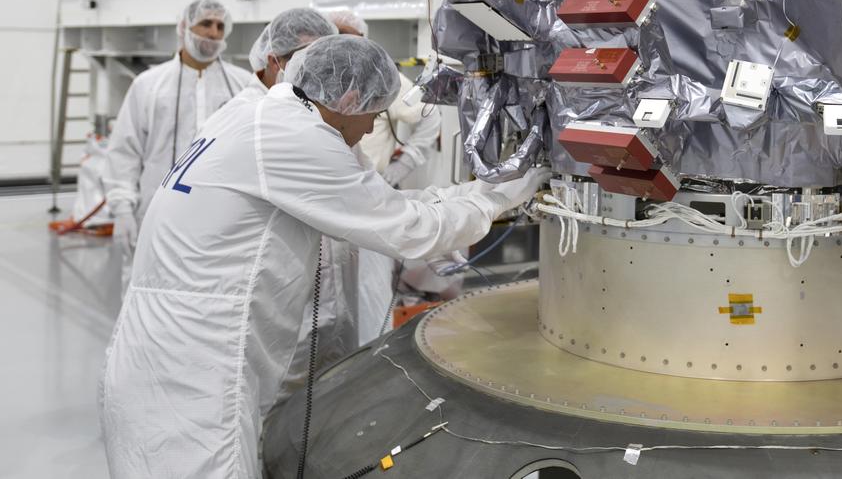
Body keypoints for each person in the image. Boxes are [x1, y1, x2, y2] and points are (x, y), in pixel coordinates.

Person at [100, 34, 548, 478]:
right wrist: (504, 194)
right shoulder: (296, 137)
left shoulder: (256, 114)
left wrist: (481, 190)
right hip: (195, 366)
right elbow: (410, 229)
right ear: (350, 97)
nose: (372, 128)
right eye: (373, 114)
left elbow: (393, 203)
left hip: (166, 346)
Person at [104, 0, 251, 288]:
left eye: (220, 26)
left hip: (222, 214)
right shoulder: (149, 85)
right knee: (148, 289)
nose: (213, 33)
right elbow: (125, 150)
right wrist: (122, 207)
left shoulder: (242, 85)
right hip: (156, 211)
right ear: (184, 27)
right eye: (205, 24)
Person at [326, 8, 446, 344]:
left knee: (369, 300)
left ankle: (366, 367)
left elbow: (426, 113)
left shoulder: (376, 73)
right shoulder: (311, 79)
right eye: (334, 34)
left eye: (349, 36)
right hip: (322, 204)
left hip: (369, 200)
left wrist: (401, 166)